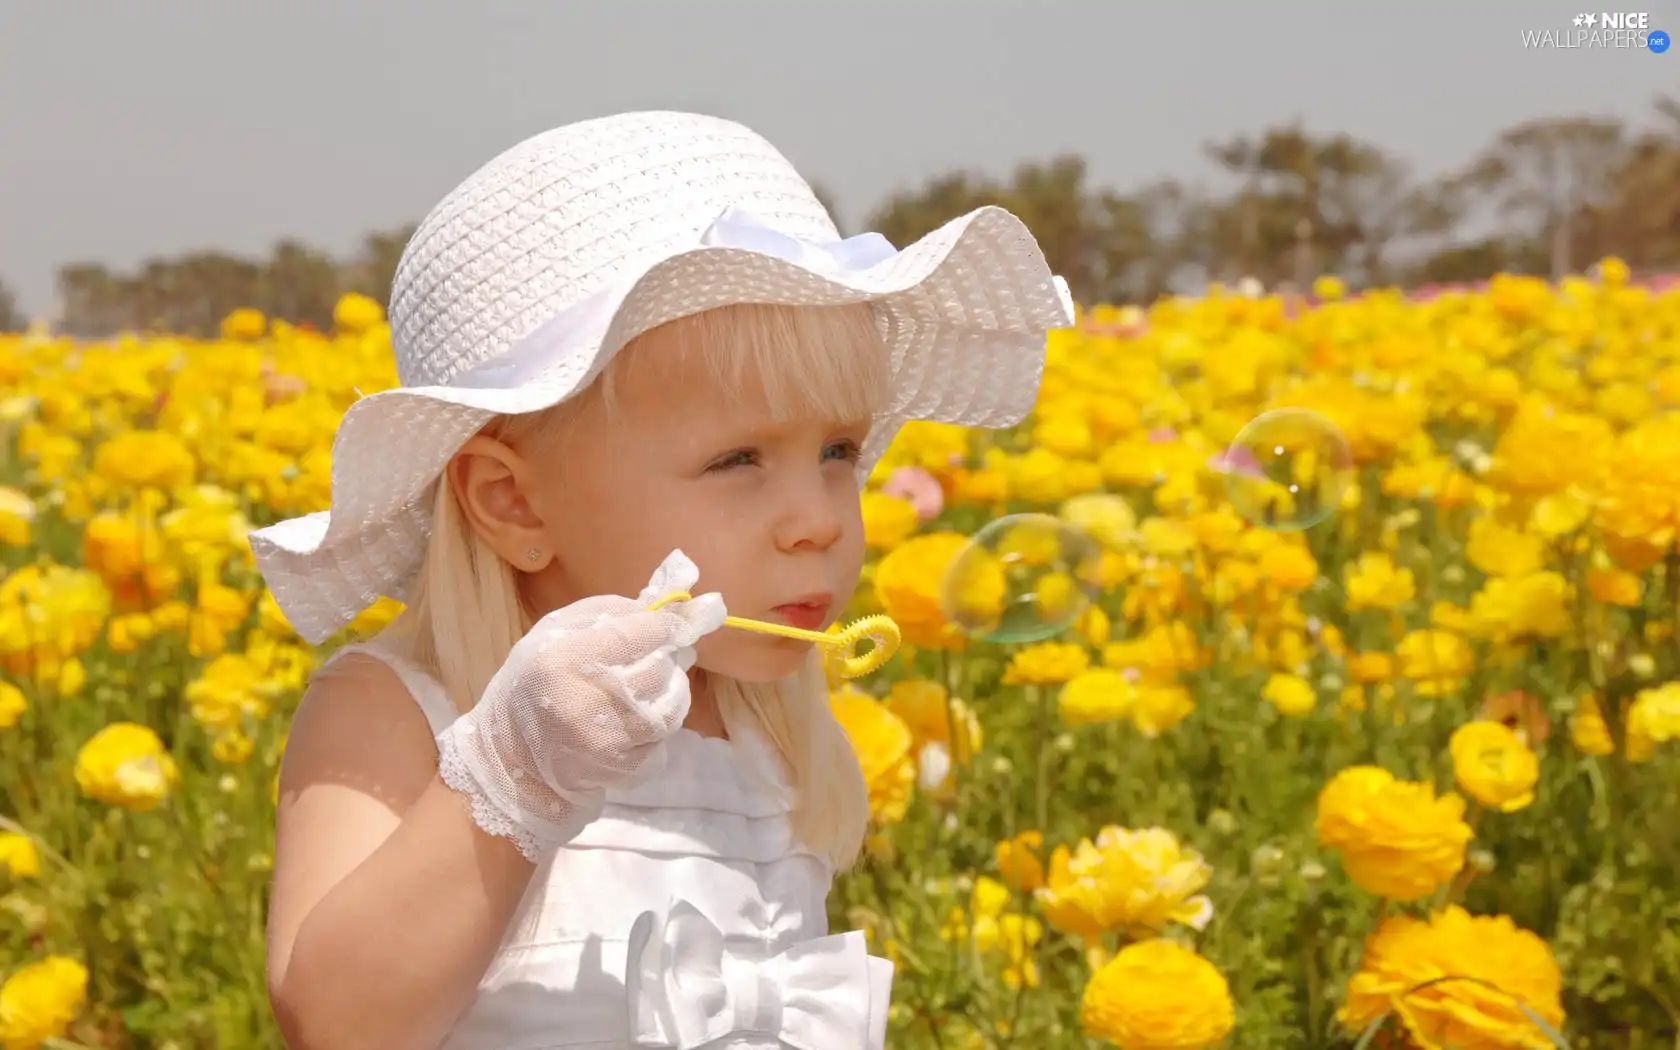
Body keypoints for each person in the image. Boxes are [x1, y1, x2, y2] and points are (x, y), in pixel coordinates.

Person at [250, 110, 1072, 1050]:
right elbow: (337, 1023)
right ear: (515, 506)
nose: (819, 519)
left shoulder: (757, 724)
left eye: (837, 449)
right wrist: (519, 772)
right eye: (739, 460)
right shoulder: (399, 713)